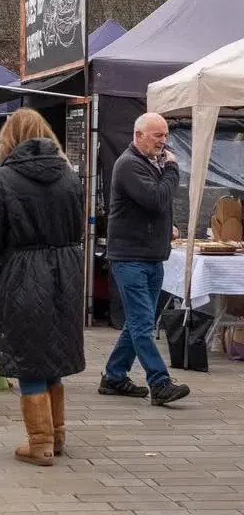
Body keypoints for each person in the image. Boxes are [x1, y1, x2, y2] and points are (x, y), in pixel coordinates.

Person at [0, 108, 85, 466]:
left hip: (24, 268)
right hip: (67, 269)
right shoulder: (70, 176)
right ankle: (56, 434)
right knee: (52, 348)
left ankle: (39, 442)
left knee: (27, 351)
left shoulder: (3, 178)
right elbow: (78, 229)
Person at [100, 112, 190, 405]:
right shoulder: (128, 165)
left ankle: (114, 376)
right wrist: (173, 170)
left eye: (165, 135)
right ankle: (160, 382)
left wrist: (168, 227)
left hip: (151, 255)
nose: (164, 142)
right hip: (131, 258)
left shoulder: (151, 163)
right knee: (141, 323)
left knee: (141, 321)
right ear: (139, 136)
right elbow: (155, 200)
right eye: (157, 136)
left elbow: (154, 207)